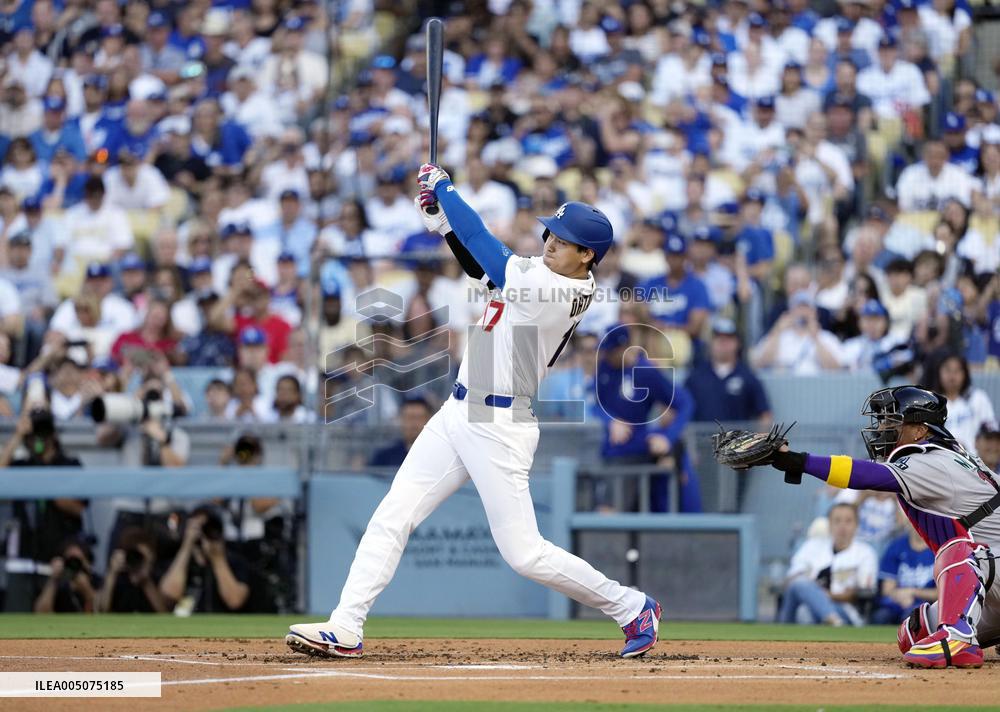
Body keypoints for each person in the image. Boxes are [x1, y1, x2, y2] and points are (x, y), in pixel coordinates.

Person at [286, 164, 662, 660]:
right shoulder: (538, 272)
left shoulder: (561, 290)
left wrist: (446, 190)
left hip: (500, 425)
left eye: (564, 239)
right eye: (551, 231)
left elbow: (487, 247)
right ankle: (346, 626)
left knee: (524, 554)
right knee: (393, 515)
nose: (550, 240)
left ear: (586, 255)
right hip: (457, 411)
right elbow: (481, 267)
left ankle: (632, 606)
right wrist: (444, 224)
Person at [754, 385, 1000, 667]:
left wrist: (799, 461)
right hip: (995, 576)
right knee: (913, 632)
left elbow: (866, 475)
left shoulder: (932, 460)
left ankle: (957, 639)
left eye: (892, 421)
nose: (882, 427)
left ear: (919, 430)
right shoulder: (949, 456)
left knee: (956, 549)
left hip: (989, 563)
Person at [0, 394, 85, 612]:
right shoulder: (22, 465)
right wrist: (19, 435)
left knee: (66, 625)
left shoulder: (69, 464)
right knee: (17, 619)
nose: (42, 435)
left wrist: (45, 487)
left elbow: (79, 507)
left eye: (46, 428)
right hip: (24, 555)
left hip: (59, 552)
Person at [779, 502, 878, 626]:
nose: (842, 526)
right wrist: (813, 592)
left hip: (845, 610)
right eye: (837, 521)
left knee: (805, 612)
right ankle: (833, 620)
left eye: (848, 521)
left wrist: (827, 595)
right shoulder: (812, 546)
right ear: (829, 525)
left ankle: (832, 618)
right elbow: (792, 581)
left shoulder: (865, 552)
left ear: (856, 525)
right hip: (806, 605)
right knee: (801, 590)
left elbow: (863, 591)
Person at [158, 506, 253, 613]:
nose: (203, 533)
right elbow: (169, 596)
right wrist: (187, 546)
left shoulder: (235, 562)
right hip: (185, 625)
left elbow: (235, 601)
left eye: (208, 528)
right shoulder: (179, 561)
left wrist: (218, 559)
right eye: (198, 528)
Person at [685, 317, 771, 425]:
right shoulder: (695, 377)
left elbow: (765, 414)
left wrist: (760, 440)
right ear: (711, 342)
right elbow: (680, 410)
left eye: (728, 339)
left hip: (737, 440)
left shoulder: (747, 377)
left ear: (737, 343)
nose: (723, 343)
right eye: (719, 338)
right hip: (703, 440)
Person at [924, 353, 997, 455]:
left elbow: (991, 432)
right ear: (938, 372)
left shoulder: (978, 398)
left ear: (965, 373)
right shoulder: (930, 403)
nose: (952, 376)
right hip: (941, 461)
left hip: (975, 462)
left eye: (957, 371)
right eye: (948, 370)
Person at [872, 522, 937, 625]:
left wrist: (912, 592)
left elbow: (941, 594)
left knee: (912, 616)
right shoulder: (896, 546)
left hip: (928, 606)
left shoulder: (939, 548)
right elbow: (887, 590)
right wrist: (900, 596)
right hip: (897, 602)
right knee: (880, 617)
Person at [97, 526, 169, 613]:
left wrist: (146, 582)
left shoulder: (156, 578)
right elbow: (102, 611)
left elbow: (164, 614)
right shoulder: (119, 580)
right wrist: (112, 573)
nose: (138, 560)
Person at [368, 396, 433, 468]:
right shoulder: (384, 456)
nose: (414, 424)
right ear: (401, 420)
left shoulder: (438, 454)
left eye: (420, 418)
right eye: (410, 418)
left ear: (429, 420)